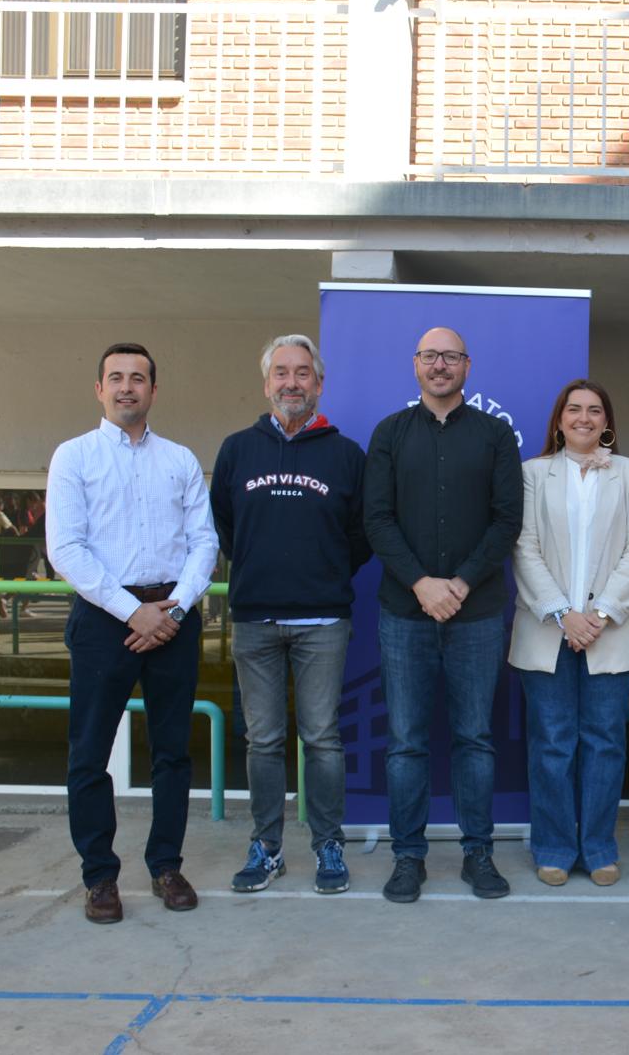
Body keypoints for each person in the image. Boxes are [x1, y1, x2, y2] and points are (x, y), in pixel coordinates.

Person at [45, 342, 218, 924]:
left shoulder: (180, 460)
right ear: (99, 389)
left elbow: (205, 542)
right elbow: (66, 547)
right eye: (115, 378)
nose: (127, 387)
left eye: (138, 378)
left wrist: (172, 611)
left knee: (173, 754)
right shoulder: (74, 457)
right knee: (89, 754)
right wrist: (131, 612)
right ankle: (99, 877)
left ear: (153, 389)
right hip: (103, 620)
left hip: (173, 613)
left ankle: (166, 865)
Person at [364, 326, 524, 902]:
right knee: (405, 741)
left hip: (476, 612)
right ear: (415, 365)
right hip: (404, 614)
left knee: (475, 739)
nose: (440, 366)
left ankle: (477, 853)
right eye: (430, 356)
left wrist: (455, 583)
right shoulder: (390, 434)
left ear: (467, 366)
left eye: (450, 357)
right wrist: (421, 584)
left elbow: (507, 520)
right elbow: (376, 518)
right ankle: (408, 857)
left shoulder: (496, 435)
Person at [212, 334, 370, 897]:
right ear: (266, 383)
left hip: (323, 621)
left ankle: (328, 845)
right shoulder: (236, 450)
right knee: (263, 741)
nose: (291, 383)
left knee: (322, 738)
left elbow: (362, 536)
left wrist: (321, 573)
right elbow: (226, 528)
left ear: (319, 384)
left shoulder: (346, 455)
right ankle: (267, 847)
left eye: (302, 373)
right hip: (255, 618)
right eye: (281, 372)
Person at [509, 380, 629, 888]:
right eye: (574, 409)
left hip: (612, 633)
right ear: (559, 419)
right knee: (552, 744)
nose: (584, 418)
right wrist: (564, 614)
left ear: (606, 420)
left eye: (595, 410)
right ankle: (552, 846)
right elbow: (523, 549)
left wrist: (601, 615)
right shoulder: (531, 474)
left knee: (605, 743)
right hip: (546, 632)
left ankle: (597, 848)